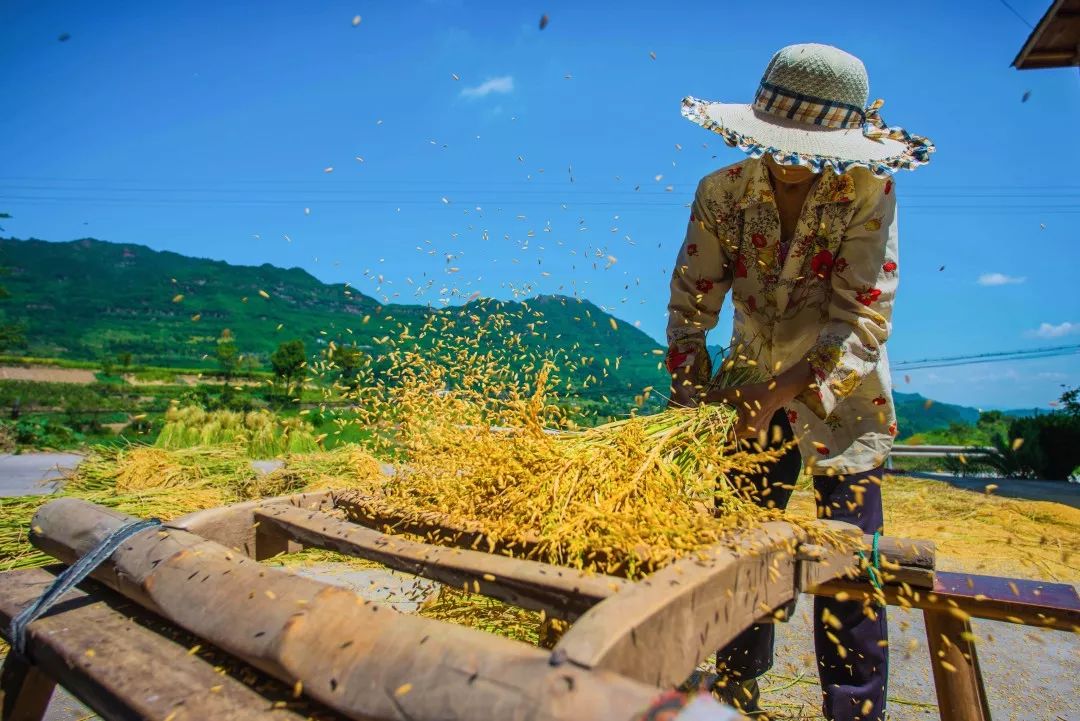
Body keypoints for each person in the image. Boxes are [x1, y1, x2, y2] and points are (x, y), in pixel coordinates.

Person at [666, 44, 934, 721]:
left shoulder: (867, 193)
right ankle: (734, 687)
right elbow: (692, 300)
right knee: (738, 550)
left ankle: (853, 709)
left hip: (842, 402)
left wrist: (781, 392)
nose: (788, 158)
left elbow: (863, 316)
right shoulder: (722, 193)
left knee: (844, 564)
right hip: (743, 393)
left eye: (807, 146)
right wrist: (692, 391)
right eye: (778, 143)